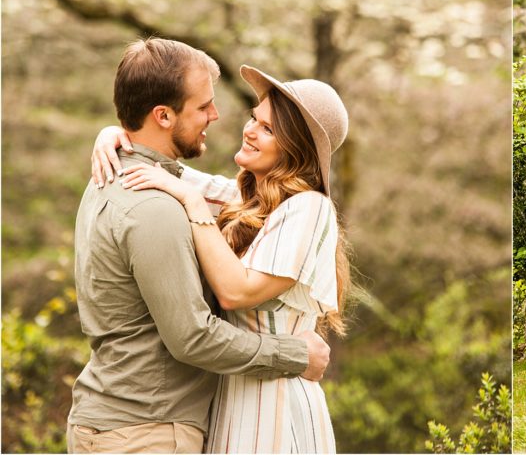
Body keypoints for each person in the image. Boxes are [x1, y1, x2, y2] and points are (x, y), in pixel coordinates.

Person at [68, 38, 331, 454]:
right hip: (147, 430)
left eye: (267, 127)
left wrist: (120, 135)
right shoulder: (156, 204)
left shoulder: (117, 179)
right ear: (165, 115)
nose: (218, 115)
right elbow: (194, 333)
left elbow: (184, 179)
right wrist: (295, 355)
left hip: (139, 419)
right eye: (203, 106)